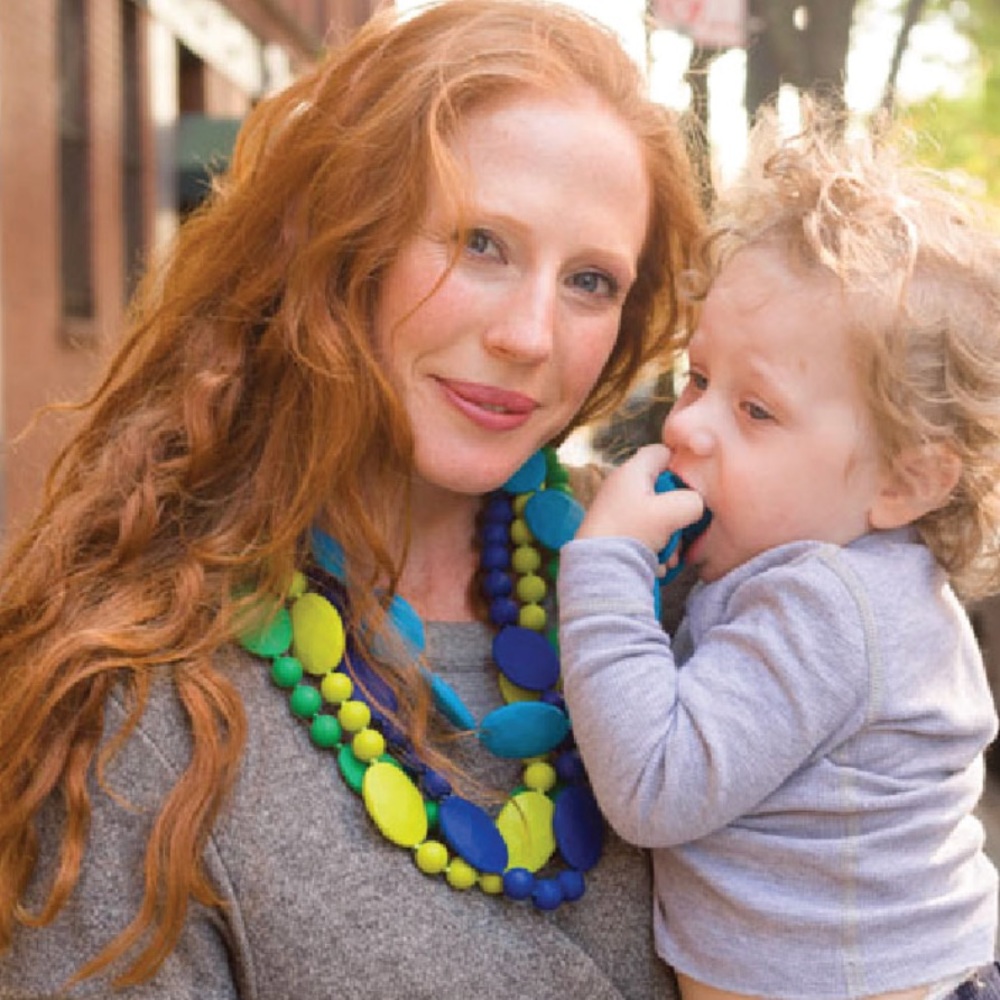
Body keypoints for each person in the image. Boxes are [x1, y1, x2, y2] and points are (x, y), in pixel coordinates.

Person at [0, 1, 706, 997]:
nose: (531, 334)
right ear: (335, 241)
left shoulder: (684, 594)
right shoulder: (146, 698)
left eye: (590, 279)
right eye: (481, 243)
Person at [558, 104, 1000, 1000]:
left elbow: (654, 785)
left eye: (755, 411)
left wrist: (604, 565)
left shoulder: (830, 603)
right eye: (701, 378)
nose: (687, 424)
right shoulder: (828, 562)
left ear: (907, 481)